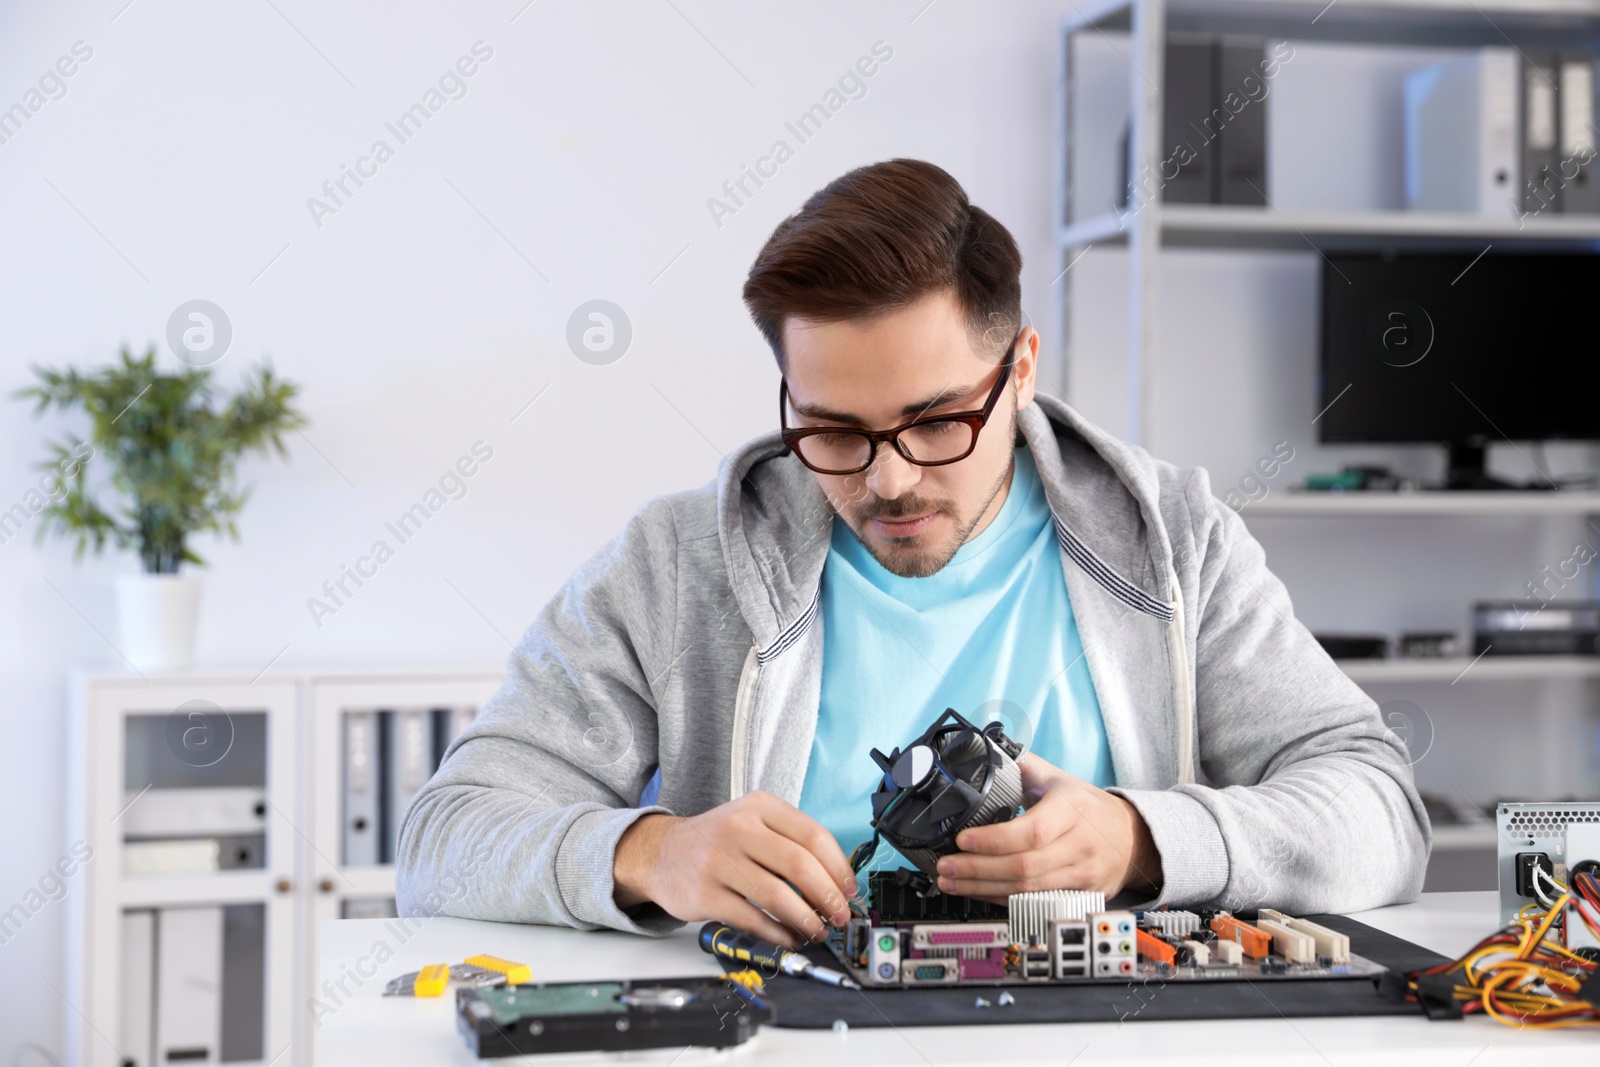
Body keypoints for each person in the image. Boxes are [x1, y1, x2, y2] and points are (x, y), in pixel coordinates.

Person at [396, 158, 1429, 950]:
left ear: (1017, 370)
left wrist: (1141, 839)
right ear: (787, 399)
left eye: (935, 422)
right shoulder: (676, 563)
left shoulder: (1173, 538)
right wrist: (652, 851)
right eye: (834, 430)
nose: (887, 480)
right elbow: (445, 836)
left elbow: (1380, 809)